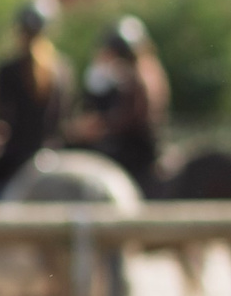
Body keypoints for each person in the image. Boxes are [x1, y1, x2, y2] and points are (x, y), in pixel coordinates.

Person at [0, 0, 73, 191]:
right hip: (54, 153)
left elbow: (0, 121)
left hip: (16, 158)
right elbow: (64, 120)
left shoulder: (7, 70)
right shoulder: (62, 70)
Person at [68, 13, 170, 189]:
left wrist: (98, 127)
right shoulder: (149, 70)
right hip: (145, 147)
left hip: (137, 152)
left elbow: (128, 120)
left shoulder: (138, 77)